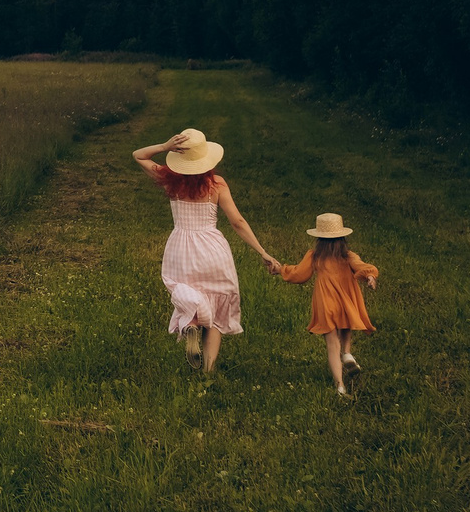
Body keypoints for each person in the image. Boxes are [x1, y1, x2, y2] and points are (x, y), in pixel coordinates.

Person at [130, 127, 277, 373]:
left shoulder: (169, 180)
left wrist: (165, 146)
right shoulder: (217, 184)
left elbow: (138, 155)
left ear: (180, 157)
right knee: (218, 311)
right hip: (212, 250)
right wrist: (262, 251)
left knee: (188, 291)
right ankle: (207, 371)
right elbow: (237, 222)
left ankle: (191, 323)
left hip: (180, 248)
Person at [271, 212, 382, 397]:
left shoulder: (314, 256)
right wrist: (370, 275)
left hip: (325, 300)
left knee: (332, 344)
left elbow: (299, 274)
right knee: (346, 326)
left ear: (319, 238)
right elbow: (360, 264)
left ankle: (340, 386)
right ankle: (347, 354)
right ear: (343, 237)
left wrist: (281, 269)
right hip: (346, 299)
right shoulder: (347, 255)